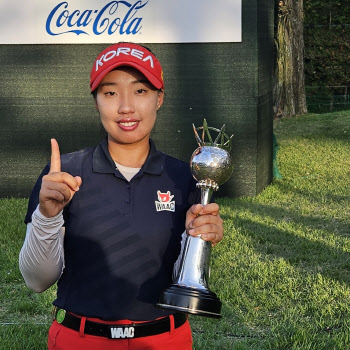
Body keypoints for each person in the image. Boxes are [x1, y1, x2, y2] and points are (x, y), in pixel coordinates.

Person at [19, 42, 224, 350]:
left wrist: (200, 238)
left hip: (164, 339)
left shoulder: (185, 177)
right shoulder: (64, 174)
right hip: (80, 339)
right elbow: (37, 280)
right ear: (96, 101)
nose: (126, 106)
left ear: (159, 98)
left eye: (140, 91)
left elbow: (183, 279)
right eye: (110, 92)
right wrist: (47, 215)